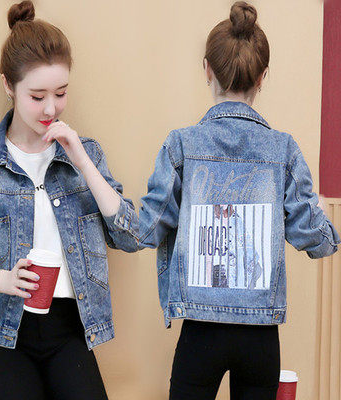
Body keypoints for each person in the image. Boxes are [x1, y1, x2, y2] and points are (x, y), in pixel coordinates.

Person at [136, 2, 340, 399]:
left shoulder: (181, 145)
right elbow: (314, 240)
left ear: (207, 69)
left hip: (199, 333)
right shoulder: (284, 149)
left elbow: (148, 228)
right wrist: (322, 219)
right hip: (260, 339)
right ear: (263, 77)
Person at [0, 2, 137, 399]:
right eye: (37, 96)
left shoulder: (87, 155)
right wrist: (0, 280)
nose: (51, 108)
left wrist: (81, 160)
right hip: (5, 332)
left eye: (61, 93)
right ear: (8, 86)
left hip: (71, 329)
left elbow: (130, 235)